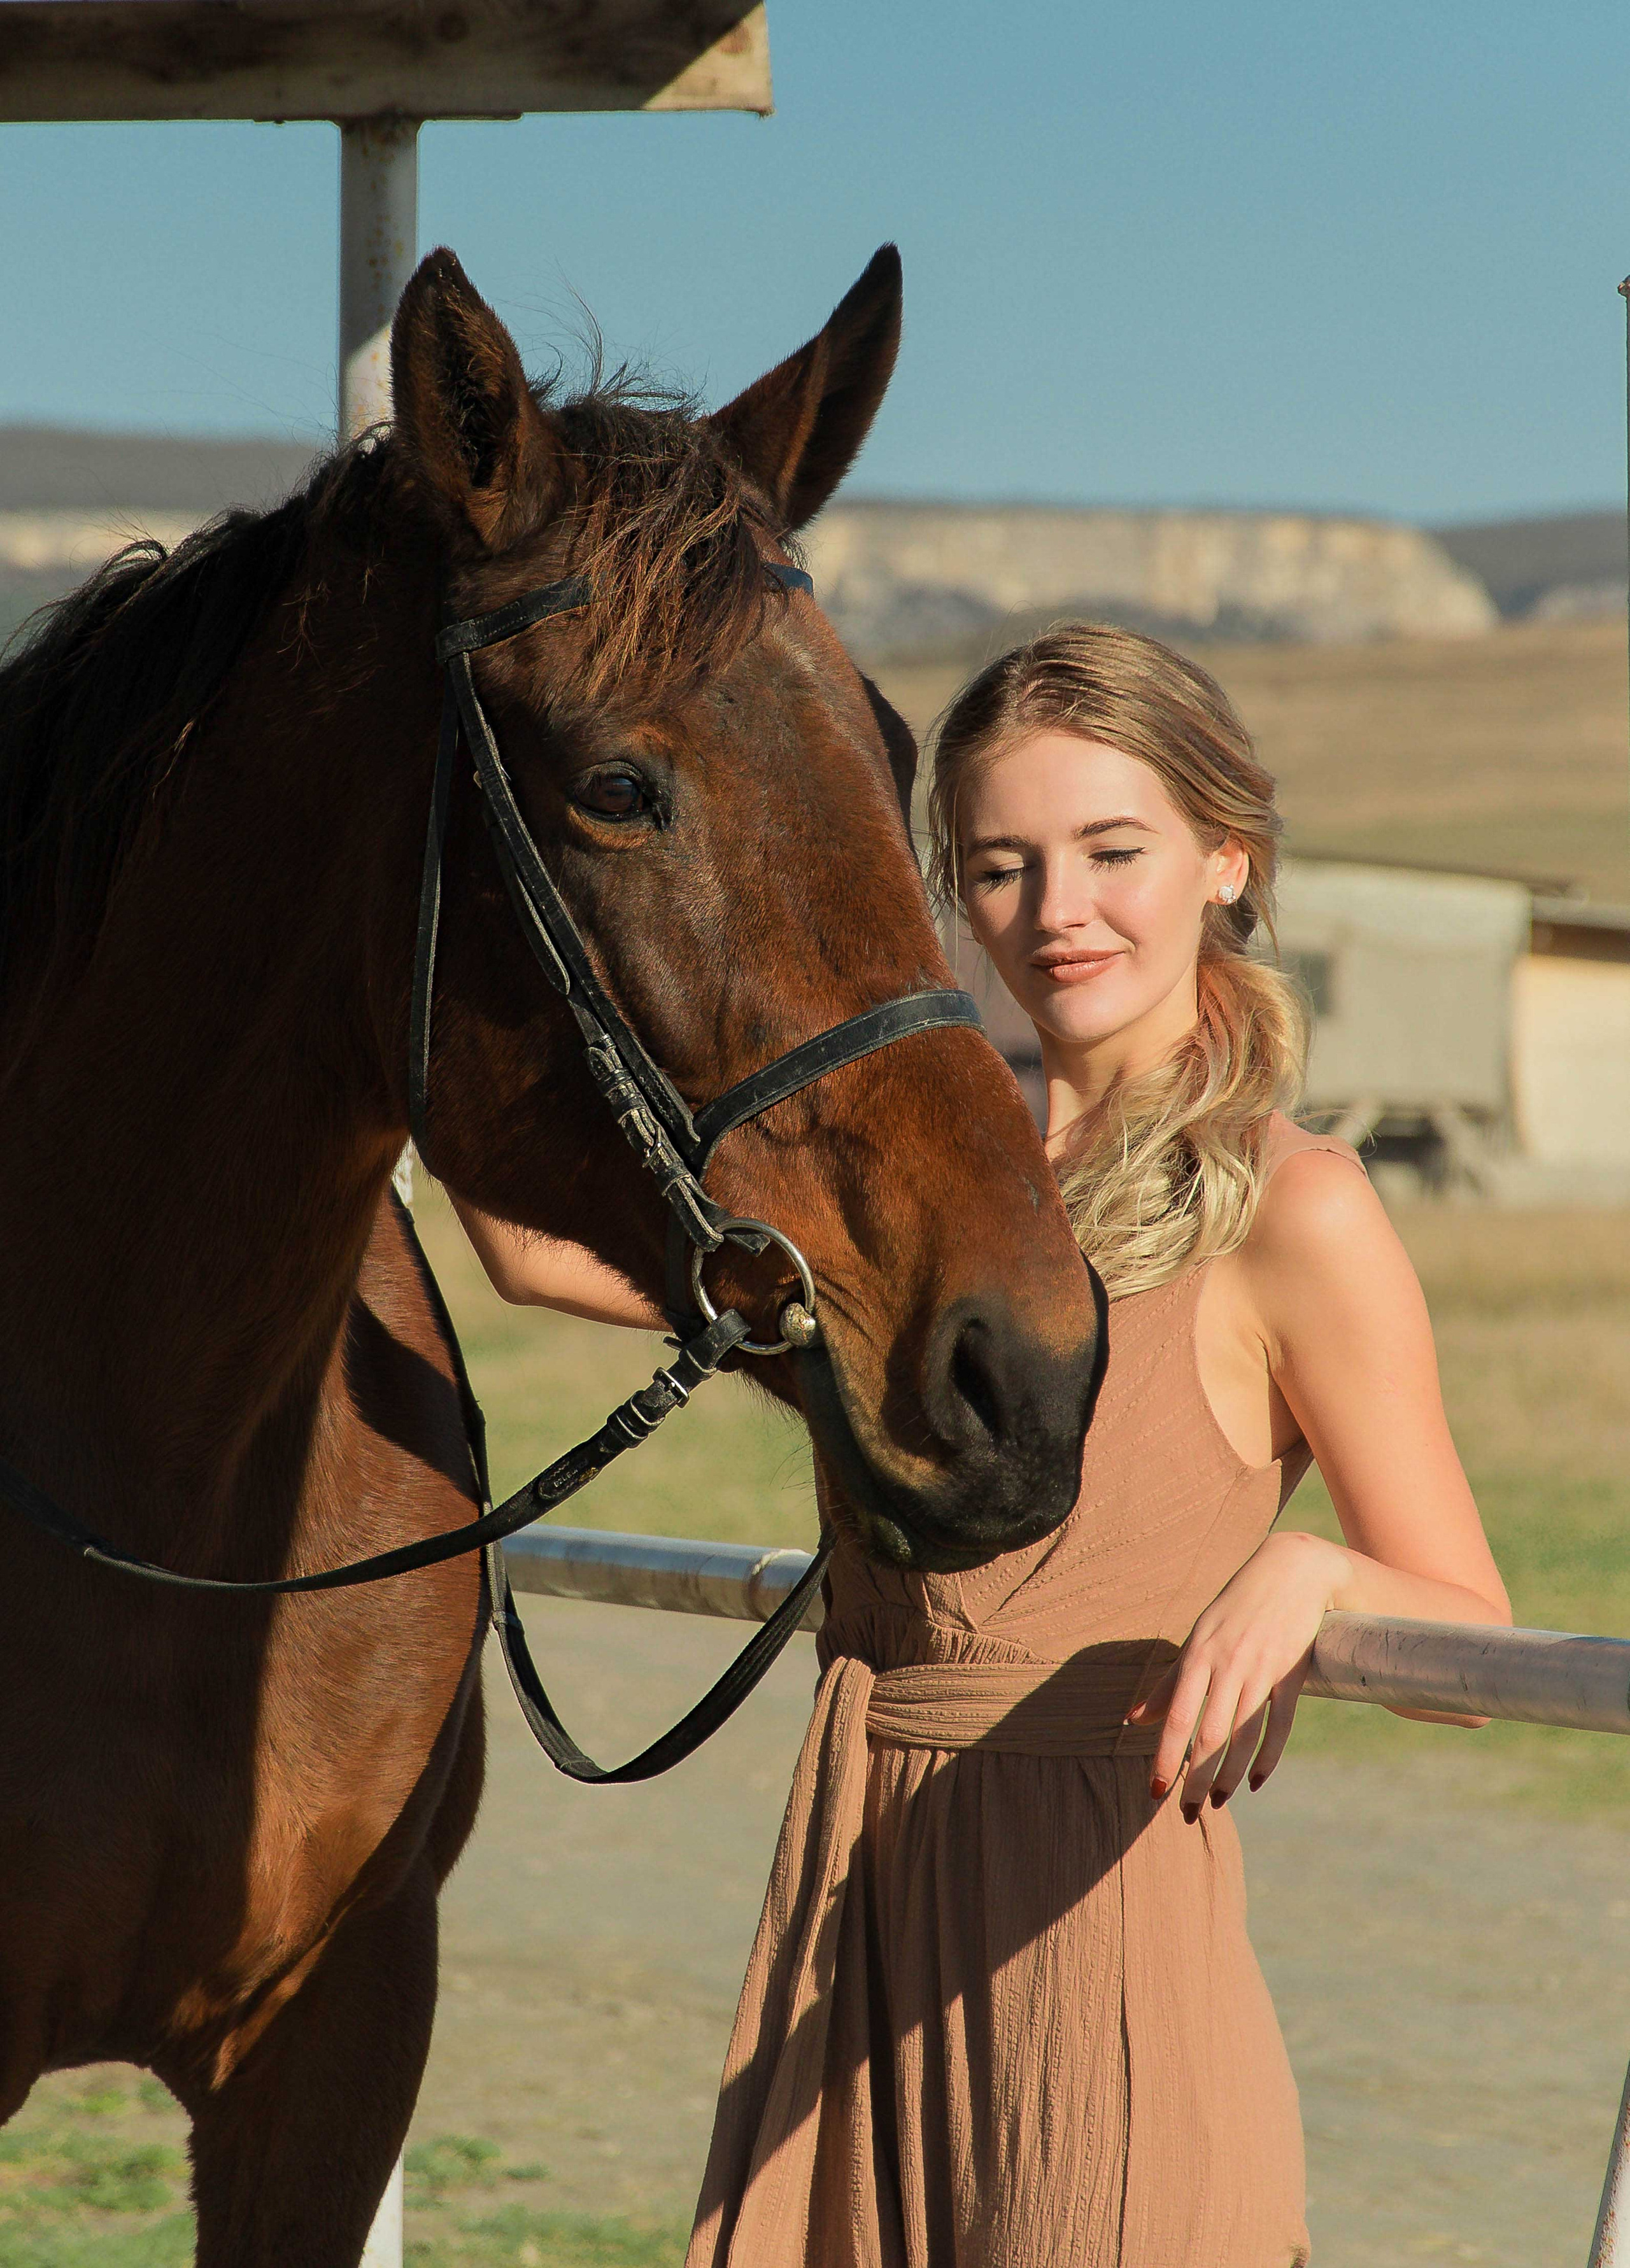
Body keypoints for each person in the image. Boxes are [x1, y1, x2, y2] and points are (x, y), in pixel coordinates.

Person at [456, 623, 1510, 2268]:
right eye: (1004, 864)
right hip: (855, 1940)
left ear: (1229, 856)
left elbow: (1473, 1635)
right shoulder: (914, 1201)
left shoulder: (1294, 1206)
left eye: (1113, 850)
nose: (1056, 911)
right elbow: (536, 1252)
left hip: (1099, 1976)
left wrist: (1314, 1572)